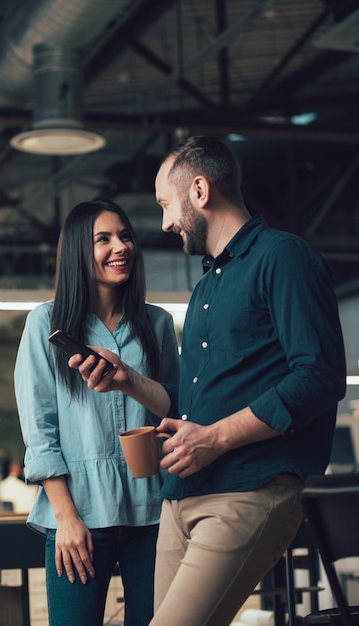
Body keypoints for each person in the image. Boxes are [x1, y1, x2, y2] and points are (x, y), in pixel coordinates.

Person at [69, 135, 347, 626]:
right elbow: (196, 407)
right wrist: (128, 380)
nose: (164, 222)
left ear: (199, 192)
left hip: (250, 488)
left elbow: (320, 377)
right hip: (181, 496)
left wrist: (214, 438)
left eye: (164, 204)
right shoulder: (204, 289)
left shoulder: (283, 258)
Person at [14, 199, 180, 626]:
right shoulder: (47, 324)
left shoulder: (156, 324)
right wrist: (66, 520)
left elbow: (177, 407)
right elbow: (40, 432)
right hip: (79, 517)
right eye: (102, 239)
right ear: (76, 252)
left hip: (153, 514)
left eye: (125, 236)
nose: (119, 246)